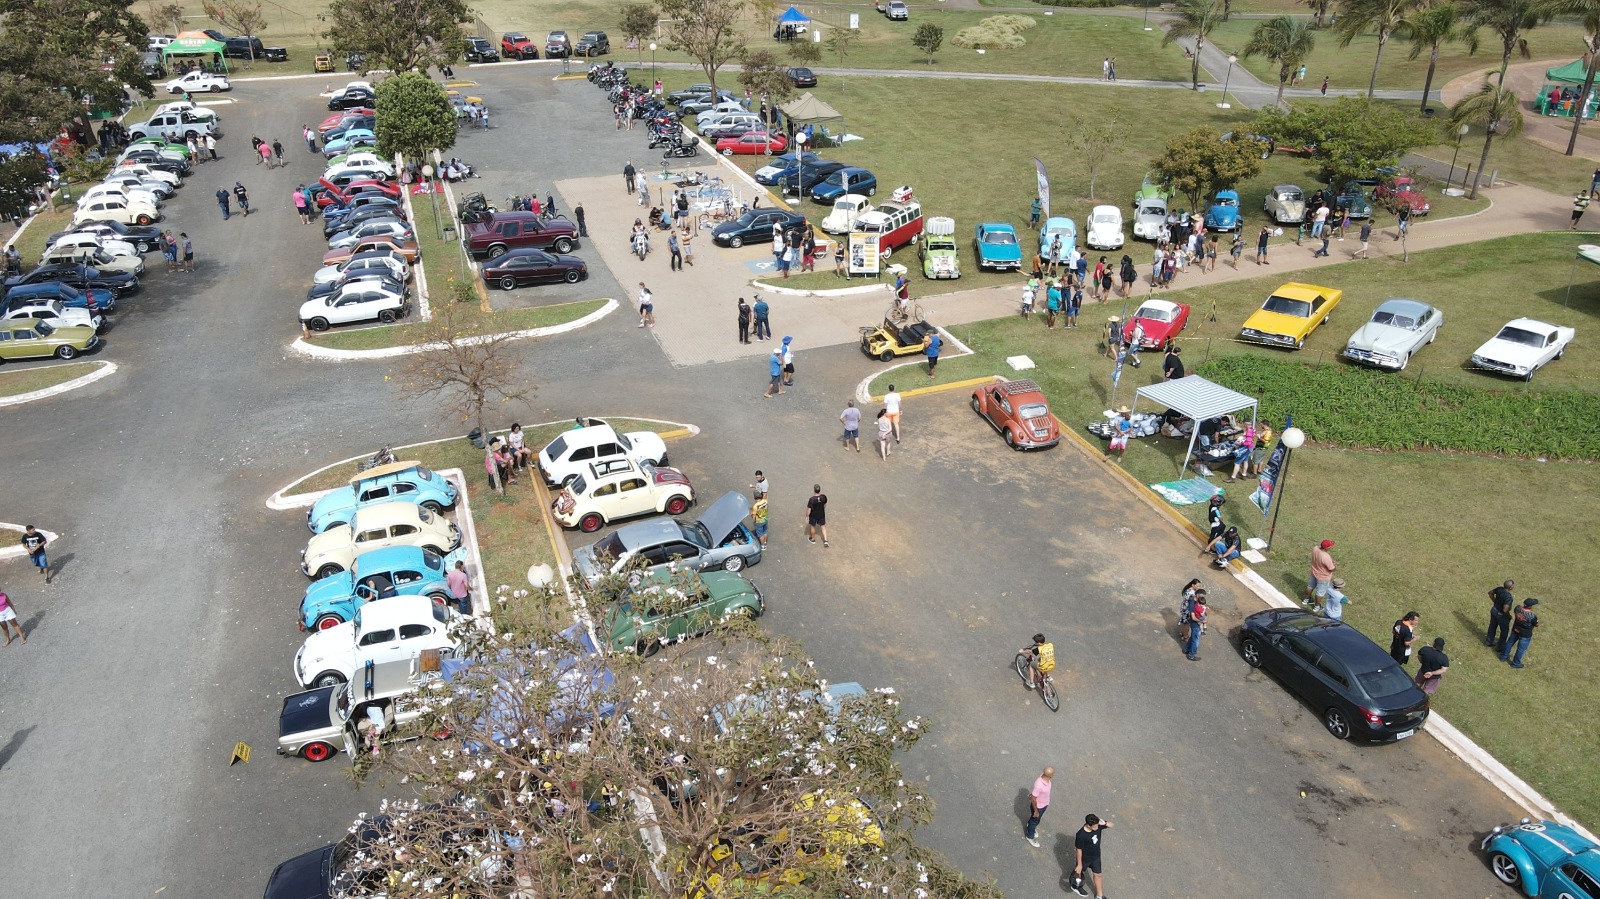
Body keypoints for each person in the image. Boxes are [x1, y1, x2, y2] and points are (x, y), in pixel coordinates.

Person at [1070, 814, 1113, 898]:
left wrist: (1104, 822)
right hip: (1085, 858)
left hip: (1096, 856)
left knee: (1098, 875)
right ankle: (1075, 885)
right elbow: (1078, 849)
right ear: (1088, 825)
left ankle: (1099, 896)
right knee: (1078, 872)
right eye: (1095, 826)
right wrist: (1079, 864)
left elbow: (1111, 825)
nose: (1097, 828)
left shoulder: (1098, 825)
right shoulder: (1081, 835)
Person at [1501, 598, 1540, 668]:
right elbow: (1536, 624)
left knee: (1509, 642)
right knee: (1521, 649)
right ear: (1530, 606)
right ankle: (1516, 663)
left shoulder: (1517, 608)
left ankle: (1503, 656)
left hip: (1515, 629)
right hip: (1525, 634)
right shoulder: (1532, 616)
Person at [1023, 765, 1054, 848]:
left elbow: (1034, 794)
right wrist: (1036, 810)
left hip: (1044, 804)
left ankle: (1030, 827)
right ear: (1051, 775)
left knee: (1035, 820)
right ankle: (1030, 836)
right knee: (1035, 820)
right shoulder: (1039, 785)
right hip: (1038, 806)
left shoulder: (1045, 779)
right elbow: (1033, 797)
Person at [1306, 539, 1336, 606]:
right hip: (1323, 577)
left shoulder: (1315, 548)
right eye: (1330, 546)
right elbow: (1332, 569)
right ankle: (1317, 606)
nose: (1331, 547)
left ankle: (1306, 599)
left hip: (1314, 572)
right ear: (1327, 548)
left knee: (1310, 586)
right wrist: (1334, 565)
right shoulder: (1325, 557)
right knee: (1320, 592)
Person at [1486, 579, 1515, 650]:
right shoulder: (1508, 597)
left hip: (1494, 610)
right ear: (1510, 587)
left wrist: (1495, 601)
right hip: (1501, 614)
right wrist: (1509, 616)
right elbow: (1505, 609)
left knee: (1492, 626)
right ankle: (1500, 647)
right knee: (1504, 631)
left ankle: (1489, 641)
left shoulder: (1499, 589)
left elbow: (1490, 593)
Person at [1183, 590, 1208, 660]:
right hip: (1195, 624)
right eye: (1202, 596)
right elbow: (1193, 617)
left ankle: (1186, 649)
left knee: (1193, 637)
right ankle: (1191, 655)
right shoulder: (1192, 604)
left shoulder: (1197, 601)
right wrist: (1203, 620)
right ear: (1197, 595)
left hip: (1195, 624)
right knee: (1196, 641)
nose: (1204, 598)